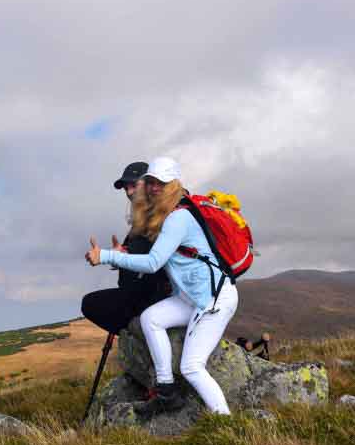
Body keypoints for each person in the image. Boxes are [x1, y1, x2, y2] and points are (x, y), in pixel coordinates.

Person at [85, 156, 239, 417]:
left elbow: (154, 263)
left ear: (174, 184)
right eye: (152, 182)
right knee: (151, 319)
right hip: (190, 299)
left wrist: (107, 256)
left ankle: (225, 420)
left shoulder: (178, 218)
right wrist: (124, 253)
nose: (155, 187)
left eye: (162, 183)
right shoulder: (164, 216)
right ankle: (166, 388)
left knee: (192, 367)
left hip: (214, 299)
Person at [80, 162, 171, 335]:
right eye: (125, 188)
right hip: (146, 294)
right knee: (93, 303)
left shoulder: (164, 216)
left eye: (134, 185)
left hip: (158, 296)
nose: (129, 192)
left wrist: (113, 256)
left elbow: (156, 260)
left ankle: (138, 336)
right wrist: (122, 254)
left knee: (92, 304)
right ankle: (136, 336)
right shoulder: (144, 218)